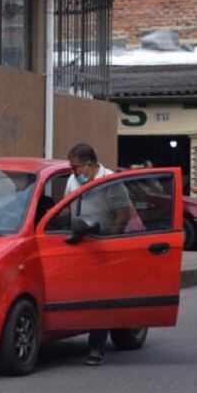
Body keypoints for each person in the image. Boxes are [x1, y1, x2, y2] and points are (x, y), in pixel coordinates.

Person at [65, 143, 122, 367]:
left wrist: (111, 241)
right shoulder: (73, 181)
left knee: (100, 297)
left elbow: (123, 214)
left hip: (102, 243)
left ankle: (97, 347)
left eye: (76, 167)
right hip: (78, 243)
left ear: (89, 165)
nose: (73, 172)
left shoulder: (110, 182)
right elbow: (66, 207)